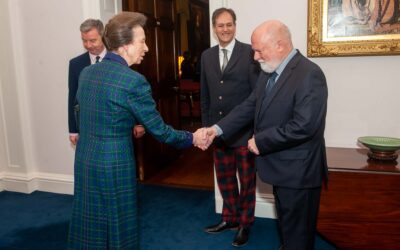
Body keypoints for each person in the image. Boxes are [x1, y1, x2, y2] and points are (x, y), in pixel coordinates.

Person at [67, 12, 207, 249]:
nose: (147, 47)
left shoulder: (87, 73)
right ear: (125, 45)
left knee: (89, 222)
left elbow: (88, 113)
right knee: (120, 225)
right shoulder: (133, 81)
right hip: (115, 163)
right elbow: (160, 131)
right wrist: (192, 137)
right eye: (142, 41)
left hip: (85, 158)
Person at [205, 20, 328, 250]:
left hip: (299, 173)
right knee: (288, 229)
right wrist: (216, 129)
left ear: (280, 45)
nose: (255, 57)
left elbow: (305, 126)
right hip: (282, 169)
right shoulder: (269, 71)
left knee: (298, 234)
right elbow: (249, 106)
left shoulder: (309, 74)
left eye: (259, 50)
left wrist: (261, 140)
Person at [200, 8, 260, 248]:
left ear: (235, 25)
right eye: (220, 25)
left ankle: (245, 223)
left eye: (229, 25)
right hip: (218, 132)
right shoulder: (206, 56)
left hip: (244, 132)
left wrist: (256, 130)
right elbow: (205, 94)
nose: (225, 29)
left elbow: (257, 96)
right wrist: (207, 129)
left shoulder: (249, 53)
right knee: (225, 181)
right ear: (214, 28)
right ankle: (230, 218)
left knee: (246, 182)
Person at [67, 18, 145, 145]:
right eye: (84, 40)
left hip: (116, 130)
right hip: (88, 128)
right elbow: (72, 98)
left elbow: (132, 95)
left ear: (103, 37)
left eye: (92, 40)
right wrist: (73, 130)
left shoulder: (122, 57)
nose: (88, 45)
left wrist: (138, 122)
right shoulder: (76, 64)